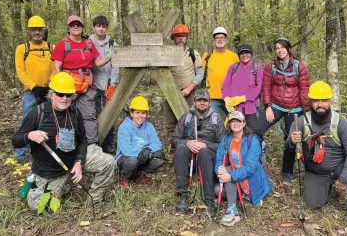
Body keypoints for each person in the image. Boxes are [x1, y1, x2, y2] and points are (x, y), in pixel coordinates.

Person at [11, 72, 115, 211]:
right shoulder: (38, 113)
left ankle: (94, 200)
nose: (64, 98)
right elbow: (16, 141)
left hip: (72, 161)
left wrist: (79, 162)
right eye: (60, 94)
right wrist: (29, 135)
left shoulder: (75, 112)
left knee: (108, 162)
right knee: (39, 208)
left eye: (68, 95)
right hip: (50, 171)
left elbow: (83, 140)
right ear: (52, 94)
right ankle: (59, 185)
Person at [285, 81, 347, 236]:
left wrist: (343, 179)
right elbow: (288, 148)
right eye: (316, 100)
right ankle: (329, 188)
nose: (320, 104)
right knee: (313, 204)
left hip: (339, 167)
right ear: (310, 101)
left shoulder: (341, 123)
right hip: (315, 171)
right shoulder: (301, 122)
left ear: (330, 101)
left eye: (324, 100)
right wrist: (292, 141)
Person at [252, 37, 310, 185]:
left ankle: (287, 173)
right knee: (256, 129)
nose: (280, 50)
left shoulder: (299, 67)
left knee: (291, 139)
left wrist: (307, 112)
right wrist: (268, 106)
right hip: (276, 105)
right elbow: (266, 87)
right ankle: (255, 162)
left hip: (295, 108)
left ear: (289, 49)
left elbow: (304, 90)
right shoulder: (271, 66)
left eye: (282, 47)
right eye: (277, 48)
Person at [51, 15, 111, 150]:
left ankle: (91, 146)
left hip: (87, 86)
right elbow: (57, 67)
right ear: (69, 27)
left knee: (89, 116)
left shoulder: (88, 43)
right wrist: (60, 89)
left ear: (83, 27)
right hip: (68, 88)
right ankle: (65, 145)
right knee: (65, 114)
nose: (76, 26)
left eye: (78, 24)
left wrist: (111, 55)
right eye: (73, 25)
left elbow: (98, 62)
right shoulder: (62, 44)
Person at [172, 88, 224, 217]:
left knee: (204, 152)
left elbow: (223, 145)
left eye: (205, 100)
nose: (202, 103)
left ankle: (209, 198)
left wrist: (205, 144)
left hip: (208, 158)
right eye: (199, 100)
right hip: (190, 159)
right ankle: (183, 194)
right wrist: (188, 143)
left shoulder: (217, 119)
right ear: (194, 101)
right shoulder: (186, 118)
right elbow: (174, 139)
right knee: (181, 148)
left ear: (209, 102)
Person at [214, 111, 271, 226]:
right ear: (229, 125)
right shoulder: (226, 139)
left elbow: (250, 168)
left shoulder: (252, 140)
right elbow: (219, 160)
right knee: (217, 189)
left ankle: (233, 211)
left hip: (251, 179)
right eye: (232, 121)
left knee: (229, 171)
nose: (235, 124)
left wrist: (230, 176)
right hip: (235, 177)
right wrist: (219, 169)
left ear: (244, 123)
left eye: (238, 121)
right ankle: (239, 200)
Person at [14, 15, 55, 162]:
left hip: (48, 92)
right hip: (31, 92)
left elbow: (56, 68)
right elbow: (20, 71)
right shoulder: (22, 49)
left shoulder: (52, 48)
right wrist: (33, 86)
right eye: (34, 30)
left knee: (47, 121)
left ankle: (43, 151)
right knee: (27, 120)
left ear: (44, 30)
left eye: (40, 29)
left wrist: (49, 84)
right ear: (30, 31)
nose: (37, 32)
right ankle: (21, 155)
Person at [115, 96, 165, 188]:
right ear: (131, 113)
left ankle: (138, 174)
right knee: (133, 161)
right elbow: (127, 151)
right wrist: (144, 151)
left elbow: (157, 144)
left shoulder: (149, 126)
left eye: (143, 113)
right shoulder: (124, 127)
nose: (140, 116)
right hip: (125, 158)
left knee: (159, 160)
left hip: (142, 156)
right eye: (137, 112)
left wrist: (148, 151)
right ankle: (124, 177)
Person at [165, 24, 204, 134]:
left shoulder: (193, 53)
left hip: (190, 94)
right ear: (174, 38)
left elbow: (200, 74)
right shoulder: (167, 54)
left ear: (187, 37)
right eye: (178, 36)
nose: (181, 38)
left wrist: (189, 88)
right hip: (172, 93)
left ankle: (191, 147)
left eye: (183, 36)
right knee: (171, 124)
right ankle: (172, 148)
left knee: (191, 121)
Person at [89, 15, 119, 154]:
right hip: (91, 85)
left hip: (107, 84)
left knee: (109, 114)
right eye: (98, 26)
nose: (101, 28)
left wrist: (113, 85)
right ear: (94, 27)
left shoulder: (113, 44)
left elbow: (116, 66)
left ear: (106, 28)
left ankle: (108, 145)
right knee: (92, 115)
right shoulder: (87, 42)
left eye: (103, 26)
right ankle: (95, 143)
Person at [221, 44, 264, 127]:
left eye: (247, 52)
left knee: (252, 133)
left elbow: (258, 88)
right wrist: (227, 99)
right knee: (235, 133)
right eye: (242, 53)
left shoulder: (257, 68)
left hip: (251, 108)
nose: (244, 55)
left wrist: (243, 98)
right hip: (235, 109)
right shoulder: (233, 67)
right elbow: (225, 85)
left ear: (251, 54)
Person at [202, 27, 239, 119]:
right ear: (214, 41)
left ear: (226, 40)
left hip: (231, 97)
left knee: (233, 121)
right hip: (213, 97)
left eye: (222, 37)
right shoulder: (207, 56)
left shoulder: (233, 56)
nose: (219, 40)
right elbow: (200, 74)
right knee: (214, 123)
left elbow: (239, 76)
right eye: (217, 38)